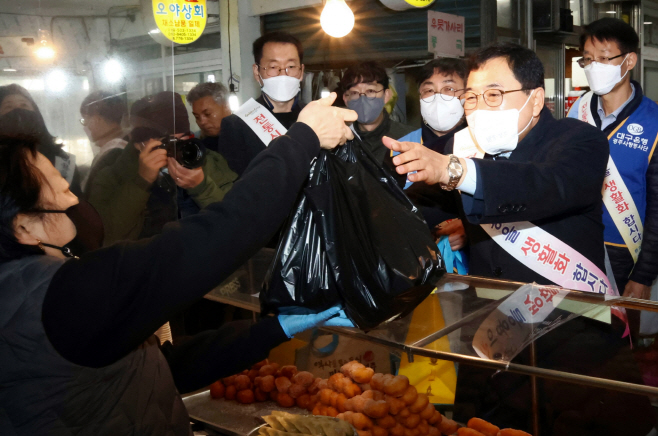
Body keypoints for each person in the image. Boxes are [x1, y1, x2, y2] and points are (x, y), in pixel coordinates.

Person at [0, 94, 358, 435]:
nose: (70, 192)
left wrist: (277, 328)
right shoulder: (64, 295)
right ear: (22, 226)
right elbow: (222, 232)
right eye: (53, 184)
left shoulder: (26, 291)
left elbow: (158, 368)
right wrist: (303, 138)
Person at [384, 42, 655, 435]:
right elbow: (416, 210)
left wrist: (455, 171)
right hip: (492, 333)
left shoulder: (577, 139)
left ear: (535, 98)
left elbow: (546, 185)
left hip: (571, 336)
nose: (479, 108)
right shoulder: (466, 150)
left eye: (494, 95)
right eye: (471, 98)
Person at [567, 18, 658, 305]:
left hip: (625, 255)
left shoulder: (653, 122)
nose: (594, 67)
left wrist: (643, 275)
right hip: (574, 248)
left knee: (620, 343)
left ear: (629, 60)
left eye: (604, 59)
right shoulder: (576, 111)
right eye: (588, 60)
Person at [87, 91, 237, 246]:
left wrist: (202, 187)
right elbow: (105, 238)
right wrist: (141, 182)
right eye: (170, 143)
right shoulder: (112, 176)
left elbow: (237, 226)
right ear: (141, 144)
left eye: (184, 140)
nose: (179, 150)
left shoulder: (209, 161)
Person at [399, 58, 469, 261]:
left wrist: (470, 229)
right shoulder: (401, 148)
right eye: (429, 90)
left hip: (468, 266)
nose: (437, 98)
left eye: (448, 88)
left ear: (466, 96)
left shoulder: (482, 148)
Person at [216, 31, 306, 176]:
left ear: (301, 71)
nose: (283, 74)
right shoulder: (236, 125)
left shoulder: (314, 117)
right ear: (257, 72)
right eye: (273, 67)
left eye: (291, 66)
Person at [0, 83, 82, 196]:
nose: (18, 110)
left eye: (24, 105)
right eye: (8, 107)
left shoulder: (62, 160)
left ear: (36, 114)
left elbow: (75, 200)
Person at [340, 61, 415, 174]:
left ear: (386, 95)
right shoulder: (340, 141)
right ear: (346, 99)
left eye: (370, 91)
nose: (363, 99)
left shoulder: (410, 138)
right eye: (355, 93)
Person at [79, 90, 128, 191]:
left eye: (84, 120)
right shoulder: (121, 146)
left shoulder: (113, 154)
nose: (85, 127)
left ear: (97, 120)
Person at [187, 82, 232, 153]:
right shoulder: (199, 148)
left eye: (207, 114)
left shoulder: (245, 136)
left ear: (226, 106)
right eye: (197, 117)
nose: (202, 122)